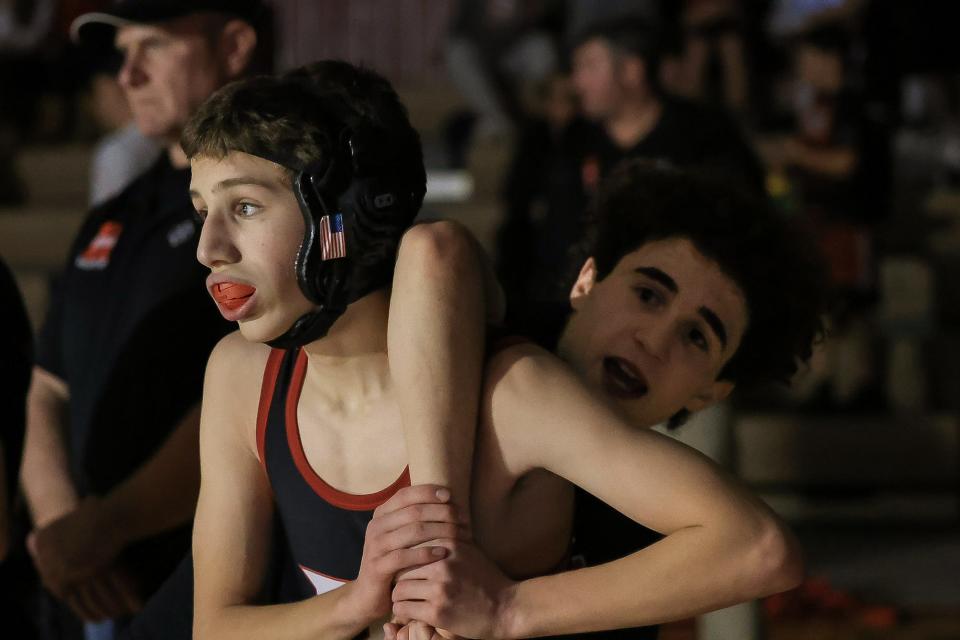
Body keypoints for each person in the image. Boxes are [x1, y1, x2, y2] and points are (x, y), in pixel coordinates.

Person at [184, 62, 825, 638]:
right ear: (585, 282)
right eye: (648, 296)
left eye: (695, 336)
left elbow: (759, 550)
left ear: (712, 392)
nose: (650, 339)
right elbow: (439, 255)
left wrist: (501, 606)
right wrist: (408, 564)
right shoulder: (491, 358)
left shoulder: (538, 407)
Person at [19, 1, 263, 637]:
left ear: (234, 45)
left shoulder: (276, 206)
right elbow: (45, 385)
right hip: (88, 589)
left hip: (213, 584)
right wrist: (63, 530)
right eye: (121, 55)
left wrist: (109, 524)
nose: (127, 77)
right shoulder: (116, 212)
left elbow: (265, 385)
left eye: (151, 47)